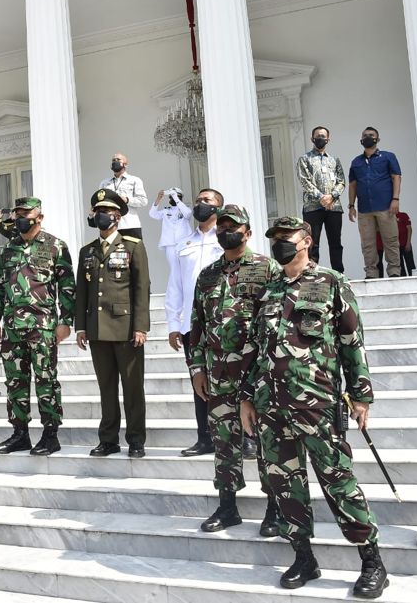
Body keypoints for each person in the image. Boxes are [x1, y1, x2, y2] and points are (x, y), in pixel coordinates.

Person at [240, 216, 387, 598]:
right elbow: (258, 352)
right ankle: (303, 556)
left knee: (338, 481)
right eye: (274, 239)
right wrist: (246, 398)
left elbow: (352, 341)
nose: (279, 244)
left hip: (317, 404)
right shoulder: (270, 291)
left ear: (305, 240)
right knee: (285, 485)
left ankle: (372, 562)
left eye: (285, 238)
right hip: (271, 407)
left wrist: (361, 395)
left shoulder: (332, 283)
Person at [187, 204, 281, 537]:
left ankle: (274, 508)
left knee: (265, 440)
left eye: (234, 226)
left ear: (248, 232)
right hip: (217, 374)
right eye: (222, 226)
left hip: (256, 374)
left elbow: (276, 323)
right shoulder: (208, 274)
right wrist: (196, 368)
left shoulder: (267, 268)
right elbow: (196, 324)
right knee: (223, 440)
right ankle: (228, 506)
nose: (228, 231)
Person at [0, 197, 76, 456]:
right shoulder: (9, 250)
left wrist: (66, 321)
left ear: (39, 216)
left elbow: (67, 287)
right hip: (13, 328)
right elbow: (0, 289)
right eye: (18, 214)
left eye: (26, 213)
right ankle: (20, 433)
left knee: (46, 380)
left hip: (43, 325)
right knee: (15, 382)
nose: (21, 217)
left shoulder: (55, 246)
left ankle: (50, 434)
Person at [75, 189, 151, 458]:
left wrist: (141, 326)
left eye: (105, 212)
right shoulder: (87, 251)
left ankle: (136, 439)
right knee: (106, 388)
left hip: (126, 328)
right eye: (97, 212)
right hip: (97, 329)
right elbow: (82, 291)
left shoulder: (132, 246)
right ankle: (108, 439)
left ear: (117, 217)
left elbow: (142, 289)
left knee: (132, 388)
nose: (99, 216)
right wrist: (81, 326)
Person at [165, 188, 226, 456]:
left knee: (231, 381)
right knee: (199, 382)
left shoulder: (227, 241)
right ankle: (205, 438)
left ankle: (245, 437)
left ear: (219, 208)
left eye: (207, 201)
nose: (201, 204)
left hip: (224, 323)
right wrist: (173, 325)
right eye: (199, 200)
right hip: (193, 326)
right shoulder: (183, 245)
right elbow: (175, 288)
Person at [347, 127, 402, 278]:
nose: (367, 137)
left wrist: (395, 199)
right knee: (367, 244)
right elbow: (352, 185)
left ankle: (394, 271)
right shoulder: (356, 162)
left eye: (371, 135)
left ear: (378, 139)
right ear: (361, 140)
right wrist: (351, 205)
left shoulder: (388, 157)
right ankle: (371, 273)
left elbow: (396, 177)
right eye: (364, 135)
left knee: (390, 240)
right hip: (364, 209)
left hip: (386, 206)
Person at [297, 126, 346, 272]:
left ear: (328, 139)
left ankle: (338, 274)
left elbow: (341, 181)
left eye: (323, 136)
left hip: (334, 207)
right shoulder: (305, 159)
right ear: (312, 139)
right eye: (318, 136)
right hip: (313, 207)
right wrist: (321, 198)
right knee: (312, 242)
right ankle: (311, 273)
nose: (321, 138)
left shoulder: (334, 160)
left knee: (335, 243)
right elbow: (304, 181)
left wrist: (332, 196)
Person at [99, 153, 148, 238]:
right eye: (113, 160)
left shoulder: (134, 180)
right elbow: (99, 202)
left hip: (130, 225)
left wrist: (127, 200)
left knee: (134, 251)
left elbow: (143, 201)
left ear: (126, 164)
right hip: (110, 226)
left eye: (118, 159)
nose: (115, 162)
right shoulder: (104, 183)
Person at [148, 187, 193, 277]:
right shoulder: (166, 210)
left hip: (184, 243)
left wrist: (176, 198)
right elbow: (152, 214)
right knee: (174, 270)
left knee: (186, 267)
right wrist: (158, 199)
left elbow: (187, 214)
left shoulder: (185, 209)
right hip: (170, 244)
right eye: (171, 197)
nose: (172, 199)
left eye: (174, 197)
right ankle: (176, 290)